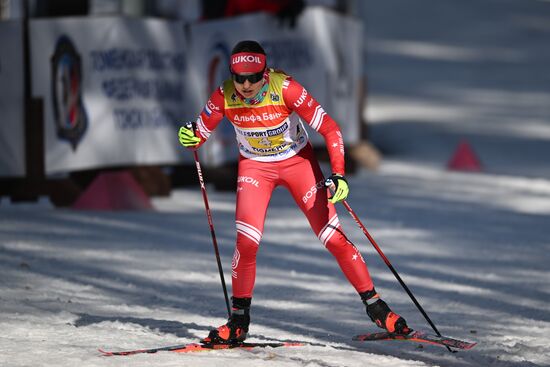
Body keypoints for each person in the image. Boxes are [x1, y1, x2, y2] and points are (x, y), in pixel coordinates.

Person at [178, 40, 410, 343]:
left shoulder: (286, 88)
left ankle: (377, 308)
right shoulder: (224, 95)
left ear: (265, 72)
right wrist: (190, 136)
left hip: (297, 164)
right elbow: (199, 133)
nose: (246, 85)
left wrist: (338, 174)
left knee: (333, 238)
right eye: (239, 78)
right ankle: (238, 321)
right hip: (255, 169)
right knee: (246, 244)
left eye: (253, 77)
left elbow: (330, 128)